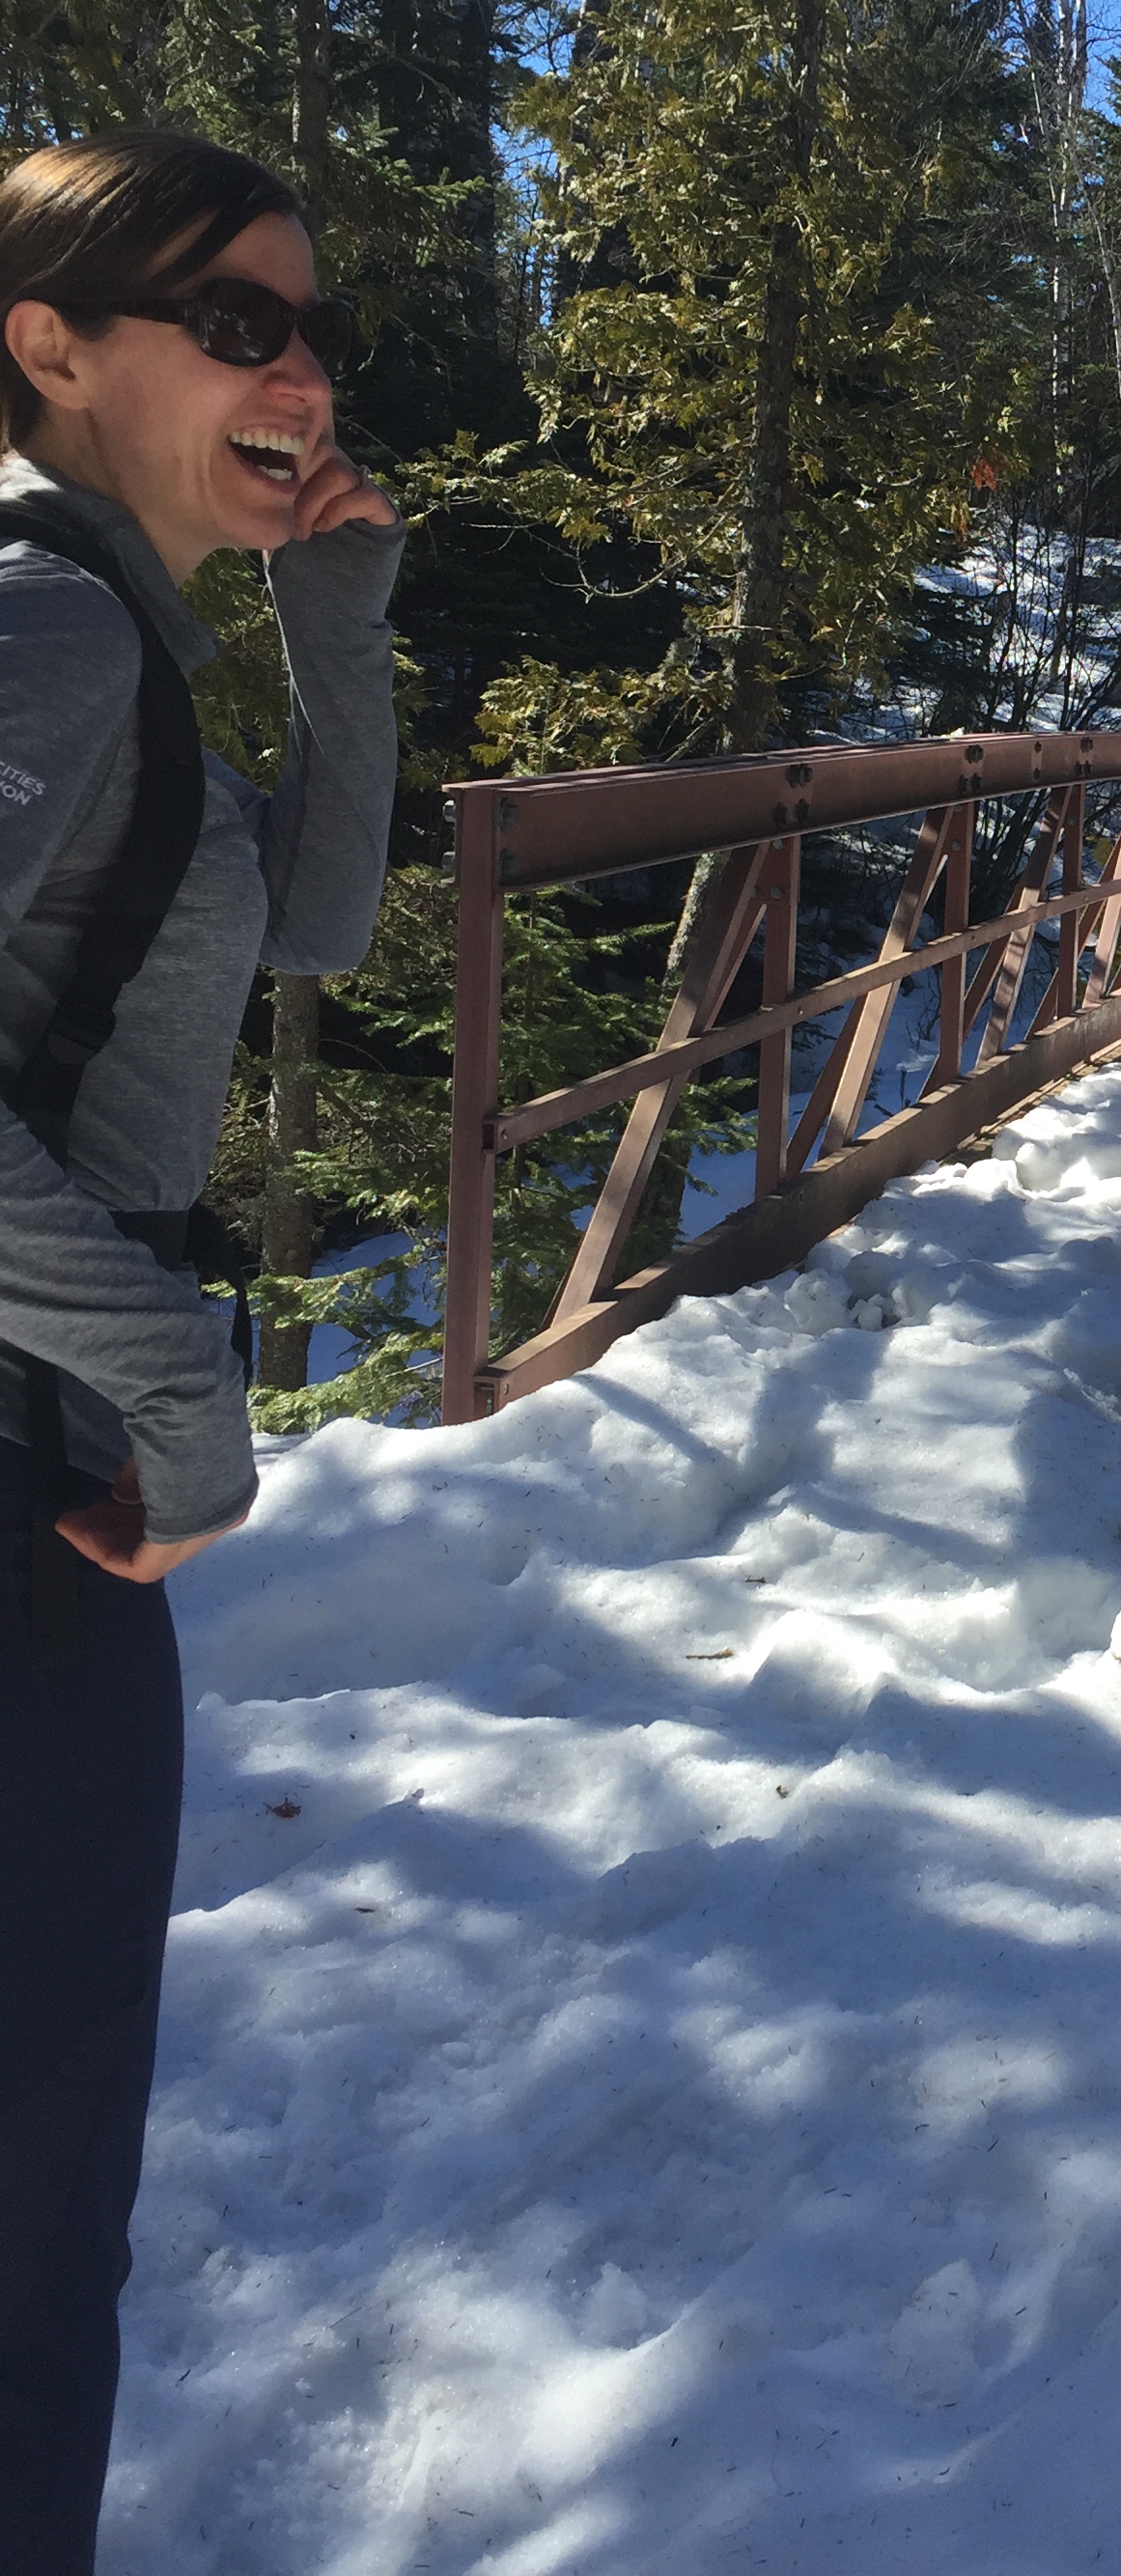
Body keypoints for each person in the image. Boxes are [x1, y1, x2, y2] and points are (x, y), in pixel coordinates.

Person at [0, 130, 403, 2574]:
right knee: (35, 2234)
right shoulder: (42, 624)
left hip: (45, 1438)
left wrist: (336, 629)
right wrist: (168, 1366)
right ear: (48, 346)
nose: (300, 362)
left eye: (311, 325)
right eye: (232, 320)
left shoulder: (116, 627)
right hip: (33, 1470)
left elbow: (321, 925)